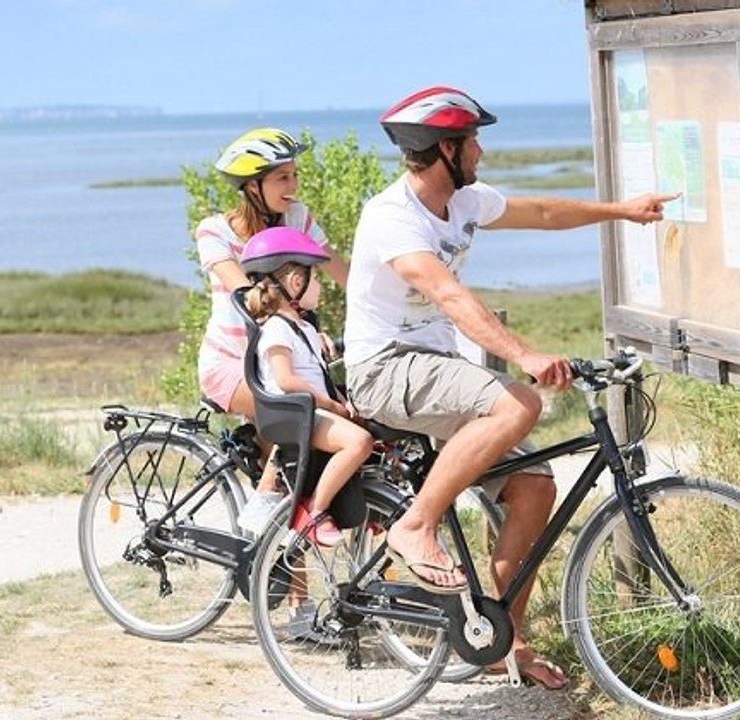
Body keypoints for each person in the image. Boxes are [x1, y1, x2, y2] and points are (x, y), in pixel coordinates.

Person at [343, 85, 677, 689]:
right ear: (445, 149)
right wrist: (523, 355)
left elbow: (543, 213)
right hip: (384, 368)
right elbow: (446, 293)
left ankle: (505, 644)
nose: (482, 151)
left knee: (534, 488)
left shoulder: (465, 201)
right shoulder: (391, 217)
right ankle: (415, 525)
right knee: (517, 401)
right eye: (473, 141)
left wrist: (623, 211)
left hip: (435, 369)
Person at [195, 128, 348, 534]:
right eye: (282, 177)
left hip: (280, 360)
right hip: (232, 364)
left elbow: (342, 272)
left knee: (300, 474)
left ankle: (286, 571)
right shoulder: (214, 232)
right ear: (252, 187)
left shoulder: (297, 218)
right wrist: (303, 330)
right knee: (299, 410)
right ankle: (264, 499)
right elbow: (250, 297)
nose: (293, 185)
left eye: (294, 175)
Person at [240, 227, 372, 547]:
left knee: (370, 428)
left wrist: (342, 401)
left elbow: (318, 376)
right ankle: (314, 511)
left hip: (310, 411)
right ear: (296, 282)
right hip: (294, 414)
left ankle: (368, 506)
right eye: (317, 279)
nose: (321, 286)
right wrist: (331, 405)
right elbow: (286, 380)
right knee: (359, 442)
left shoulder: (305, 329)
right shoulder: (276, 329)